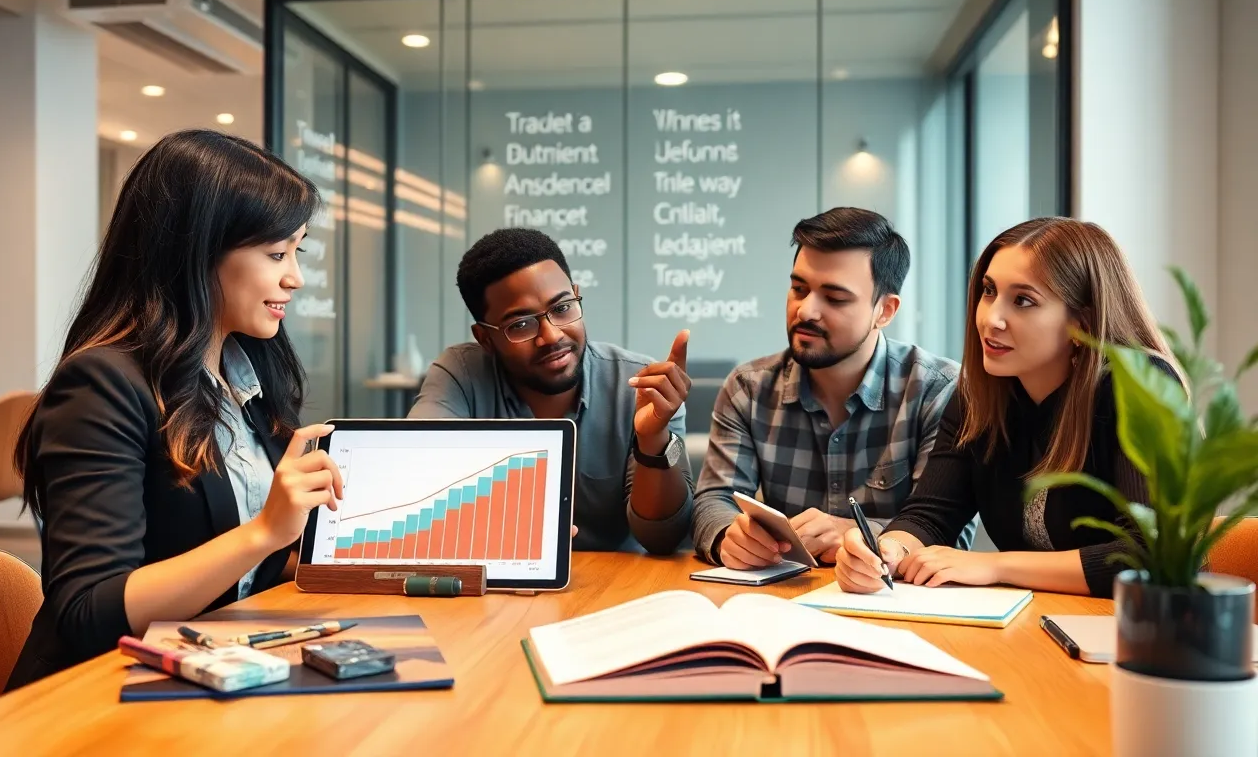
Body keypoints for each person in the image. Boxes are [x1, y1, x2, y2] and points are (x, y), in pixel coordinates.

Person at [7, 130, 344, 689]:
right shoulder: (101, 384)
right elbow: (89, 612)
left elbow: (241, 574)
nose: (295, 277)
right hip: (99, 696)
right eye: (276, 253)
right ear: (199, 249)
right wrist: (265, 532)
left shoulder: (246, 377)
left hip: (216, 670)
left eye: (297, 251)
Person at [835, 217, 1179, 598]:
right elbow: (929, 518)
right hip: (1036, 627)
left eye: (1023, 301)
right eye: (988, 291)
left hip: (1144, 636)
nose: (990, 319)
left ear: (1082, 320)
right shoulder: (979, 396)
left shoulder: (1141, 382)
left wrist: (994, 565)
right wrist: (887, 552)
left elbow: (1151, 555)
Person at [692, 208, 965, 569]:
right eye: (798, 288)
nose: (805, 311)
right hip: (782, 602)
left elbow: (948, 531)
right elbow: (715, 498)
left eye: (835, 298)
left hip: (893, 608)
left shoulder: (939, 392)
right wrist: (731, 537)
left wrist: (861, 536)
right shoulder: (749, 387)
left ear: (885, 311)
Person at [409, 228, 692, 554]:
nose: (552, 336)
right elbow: (419, 462)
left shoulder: (640, 386)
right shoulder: (461, 374)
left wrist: (652, 440)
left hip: (616, 589)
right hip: (498, 590)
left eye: (562, 308)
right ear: (485, 338)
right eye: (520, 325)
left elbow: (663, 537)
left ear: (575, 294)